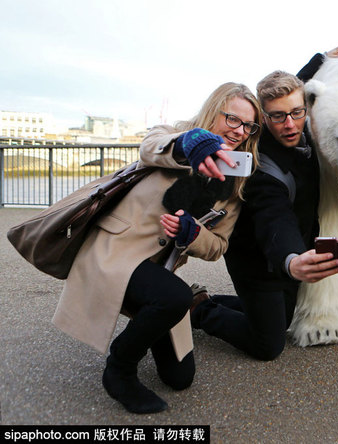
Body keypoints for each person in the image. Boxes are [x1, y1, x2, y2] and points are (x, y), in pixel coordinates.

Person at [52, 82, 262, 414]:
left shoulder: (236, 177)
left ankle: (153, 318)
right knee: (176, 296)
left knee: (180, 378)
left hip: (160, 268)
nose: (239, 131)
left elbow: (218, 246)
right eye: (232, 119)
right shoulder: (178, 134)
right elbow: (150, 146)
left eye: (248, 125)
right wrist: (191, 144)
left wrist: (192, 234)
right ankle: (119, 369)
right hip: (116, 251)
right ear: (214, 110)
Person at [189, 47, 338, 361]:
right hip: (258, 258)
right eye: (278, 117)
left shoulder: (300, 118)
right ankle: (199, 310)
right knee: (268, 344)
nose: (290, 124)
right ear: (263, 118)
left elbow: (295, 87)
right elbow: (273, 216)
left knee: (285, 315)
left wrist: (322, 58)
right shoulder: (263, 165)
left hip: (290, 248)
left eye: (296, 112)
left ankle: (209, 299)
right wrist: (293, 259)